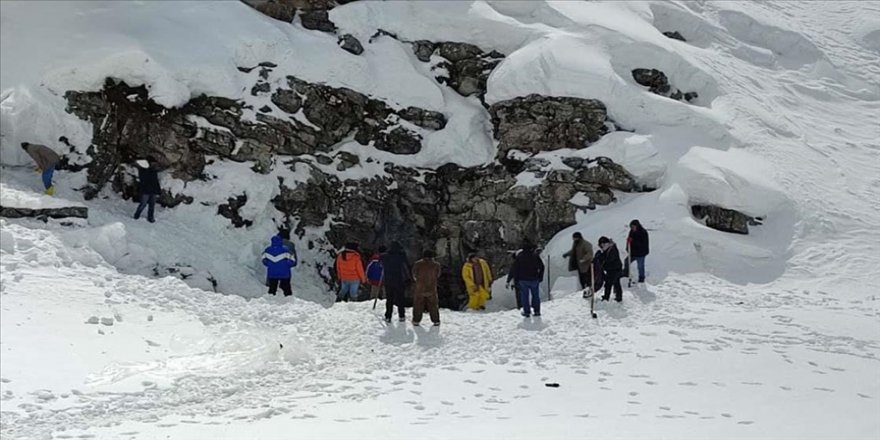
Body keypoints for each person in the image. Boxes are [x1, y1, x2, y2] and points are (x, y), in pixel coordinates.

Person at [509, 242, 545, 317]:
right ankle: (537, 311)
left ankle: (527, 312)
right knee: (535, 296)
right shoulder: (535, 256)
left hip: (523, 280)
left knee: (524, 296)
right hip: (534, 279)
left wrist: (516, 279)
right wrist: (540, 276)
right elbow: (542, 267)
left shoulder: (520, 257)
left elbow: (515, 269)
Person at [381, 241, 411, 322]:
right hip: (399, 280)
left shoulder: (384, 256)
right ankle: (402, 315)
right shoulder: (402, 256)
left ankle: (388, 316)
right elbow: (406, 267)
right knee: (400, 298)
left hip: (388, 280)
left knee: (389, 299)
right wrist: (409, 278)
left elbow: (381, 264)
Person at [411, 250, 441, 326]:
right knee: (433, 305)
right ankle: (436, 320)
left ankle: (416, 320)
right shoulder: (436, 265)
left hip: (420, 288)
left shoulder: (418, 264)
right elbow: (438, 275)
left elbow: (414, 275)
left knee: (418, 305)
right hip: (432, 288)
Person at [133, 157, 161, 222]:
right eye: (153, 163)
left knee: (152, 204)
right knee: (143, 204)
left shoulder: (154, 171)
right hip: (145, 190)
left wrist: (158, 190)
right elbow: (143, 179)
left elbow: (156, 181)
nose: (154, 164)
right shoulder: (143, 169)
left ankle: (150, 217)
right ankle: (137, 214)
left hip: (153, 190)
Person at [598, 236, 623, 302]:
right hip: (613, 269)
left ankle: (606, 297)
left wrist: (601, 259)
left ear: (605, 244)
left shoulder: (612, 250)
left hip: (615, 269)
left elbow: (608, 260)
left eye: (602, 245)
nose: (601, 247)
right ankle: (619, 296)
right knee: (616, 283)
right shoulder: (608, 249)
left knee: (609, 283)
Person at [627, 219, 650, 284]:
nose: (632, 228)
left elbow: (642, 244)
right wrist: (627, 248)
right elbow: (629, 241)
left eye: (633, 227)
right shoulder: (631, 232)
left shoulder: (643, 232)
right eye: (631, 227)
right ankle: (626, 274)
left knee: (640, 266)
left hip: (641, 253)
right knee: (627, 261)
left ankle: (641, 278)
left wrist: (633, 241)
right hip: (633, 252)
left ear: (637, 226)